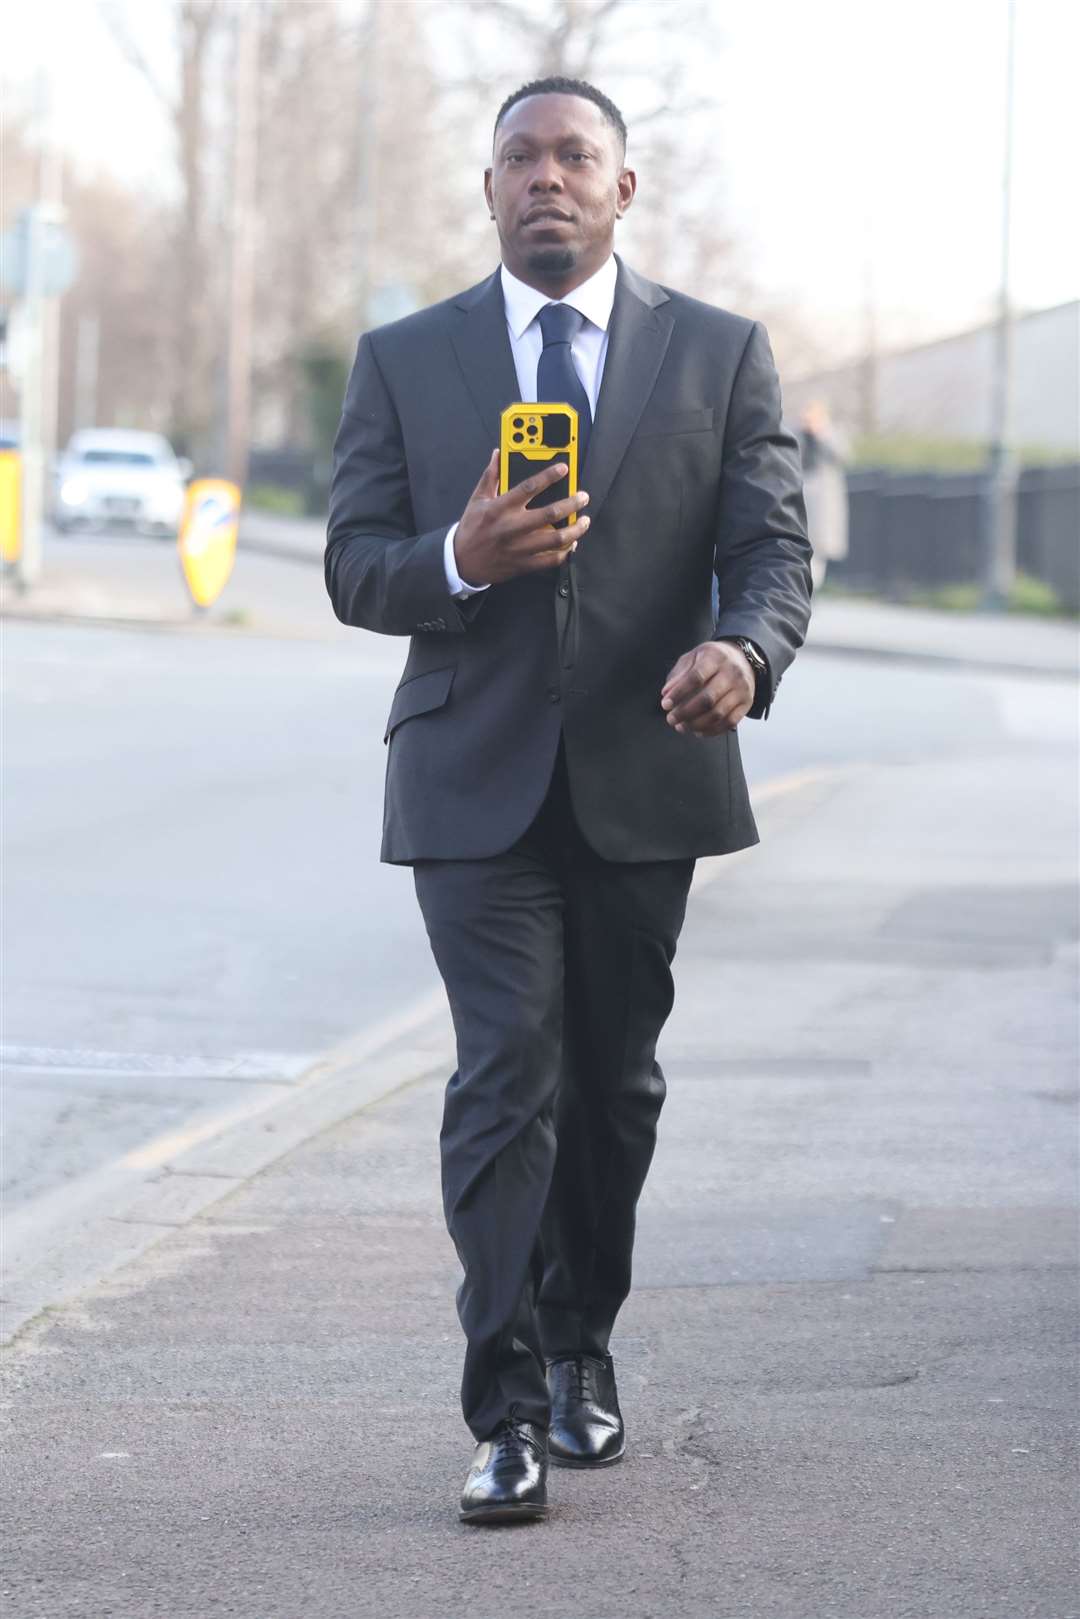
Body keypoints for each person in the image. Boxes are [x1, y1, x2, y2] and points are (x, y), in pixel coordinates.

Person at [326, 76, 812, 1526]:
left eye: (574, 156)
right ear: (487, 192)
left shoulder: (719, 355)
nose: (546, 177)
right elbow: (355, 562)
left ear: (622, 189)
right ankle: (508, 1407)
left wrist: (744, 648)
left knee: (611, 1083)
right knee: (504, 1073)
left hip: (647, 772)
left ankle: (586, 1337)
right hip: (470, 778)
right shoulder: (406, 359)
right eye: (519, 158)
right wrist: (461, 557)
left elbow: (772, 550)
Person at [798, 399, 850, 591]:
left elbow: (842, 455)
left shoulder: (831, 435)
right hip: (802, 497)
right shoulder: (797, 434)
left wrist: (821, 433)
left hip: (823, 502)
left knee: (819, 549)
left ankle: (812, 588)